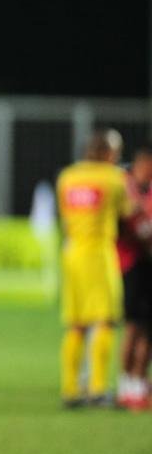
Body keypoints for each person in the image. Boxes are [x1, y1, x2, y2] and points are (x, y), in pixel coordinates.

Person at [56, 129, 133, 408]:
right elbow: (129, 212)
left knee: (75, 323)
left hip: (72, 251)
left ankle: (70, 390)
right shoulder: (114, 178)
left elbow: (64, 218)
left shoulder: (67, 177)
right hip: (100, 253)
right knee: (105, 319)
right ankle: (99, 388)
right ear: (109, 153)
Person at [117, 143, 152, 410]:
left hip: (145, 264)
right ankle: (127, 385)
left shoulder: (144, 189)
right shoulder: (124, 185)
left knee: (146, 329)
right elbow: (135, 225)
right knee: (134, 326)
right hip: (131, 265)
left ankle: (139, 385)